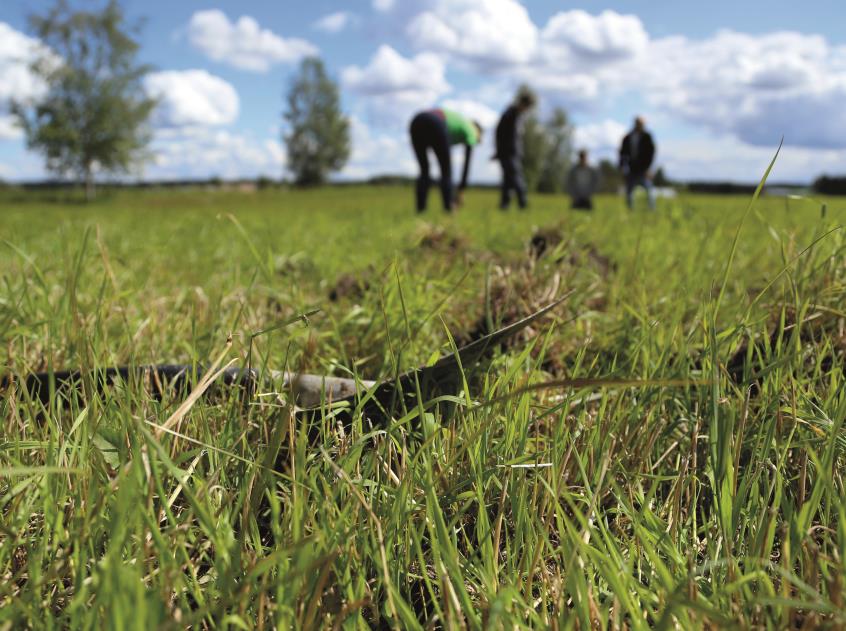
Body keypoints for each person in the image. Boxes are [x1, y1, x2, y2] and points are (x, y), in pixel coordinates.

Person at [409, 108, 482, 213]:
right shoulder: (472, 130)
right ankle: (448, 209)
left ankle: (421, 210)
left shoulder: (460, 123)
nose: (478, 141)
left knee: (424, 169)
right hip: (436, 122)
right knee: (446, 171)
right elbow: (467, 164)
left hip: (417, 121)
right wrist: (462, 190)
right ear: (478, 130)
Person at [494, 91, 535, 210]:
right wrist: (499, 151)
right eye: (527, 107)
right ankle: (523, 203)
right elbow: (499, 134)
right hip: (508, 153)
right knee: (516, 178)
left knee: (508, 180)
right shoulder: (510, 114)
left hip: (512, 152)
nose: (527, 110)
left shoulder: (517, 115)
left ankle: (504, 205)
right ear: (522, 103)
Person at [619, 116, 656, 210]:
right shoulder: (628, 137)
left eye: (642, 124)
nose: (640, 125)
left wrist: (648, 168)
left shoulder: (647, 137)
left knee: (649, 190)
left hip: (644, 169)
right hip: (632, 168)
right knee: (629, 191)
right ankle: (630, 209)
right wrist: (623, 167)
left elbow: (651, 154)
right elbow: (623, 153)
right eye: (638, 123)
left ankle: (651, 209)